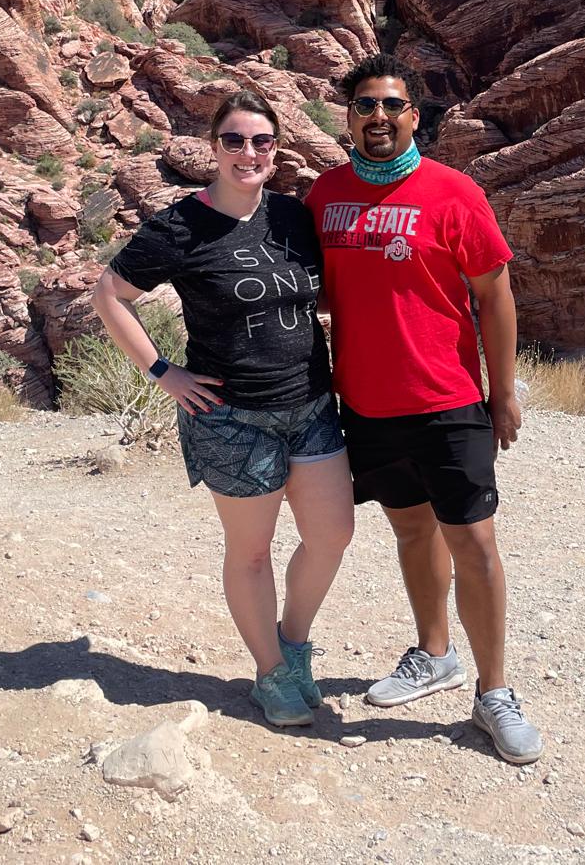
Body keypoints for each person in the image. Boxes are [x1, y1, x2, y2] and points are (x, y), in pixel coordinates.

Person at [306, 54, 544, 765]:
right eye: (364, 106)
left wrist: (501, 392)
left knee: (473, 544)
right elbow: (322, 289)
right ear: (348, 118)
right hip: (369, 405)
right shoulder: (325, 196)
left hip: (448, 400)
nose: (378, 117)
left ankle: (494, 692)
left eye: (391, 105)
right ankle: (435, 654)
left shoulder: (454, 193)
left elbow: (495, 295)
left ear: (415, 116)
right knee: (411, 531)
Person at [90, 90, 354, 728]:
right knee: (252, 551)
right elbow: (109, 294)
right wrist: (163, 372)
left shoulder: (292, 217)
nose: (248, 153)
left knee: (332, 534)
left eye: (261, 141)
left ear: (276, 150)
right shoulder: (180, 227)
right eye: (234, 140)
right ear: (213, 149)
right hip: (233, 417)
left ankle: (293, 645)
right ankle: (270, 674)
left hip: (311, 404)